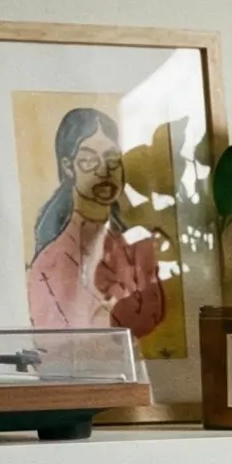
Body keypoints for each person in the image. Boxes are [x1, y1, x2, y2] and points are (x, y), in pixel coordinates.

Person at [25, 106, 165, 339]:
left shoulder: (138, 247)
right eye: (88, 160)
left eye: (112, 159)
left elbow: (154, 320)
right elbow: (54, 347)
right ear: (68, 167)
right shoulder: (48, 266)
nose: (103, 171)